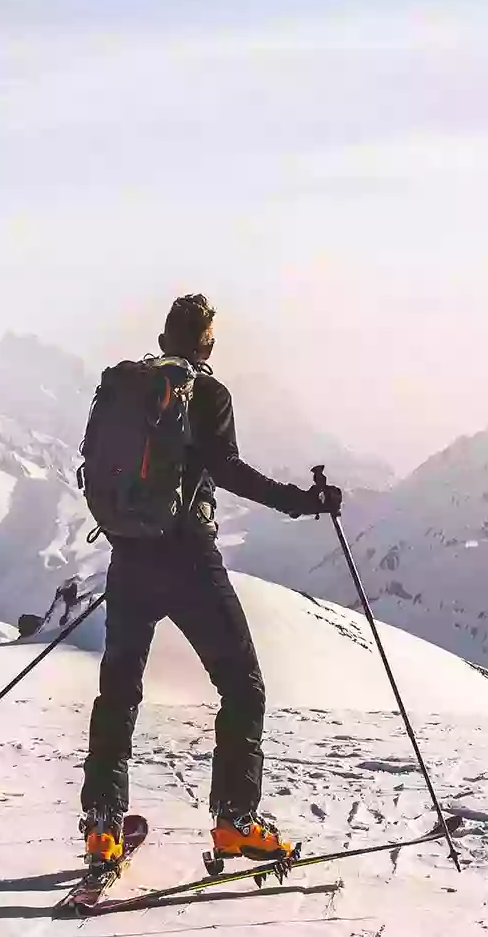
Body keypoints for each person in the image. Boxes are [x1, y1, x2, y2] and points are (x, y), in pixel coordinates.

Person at [80, 293, 341, 866]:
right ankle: (235, 822)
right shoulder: (208, 394)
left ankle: (102, 827)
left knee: (118, 693)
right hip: (188, 561)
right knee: (242, 686)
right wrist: (303, 502)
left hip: (129, 557)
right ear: (207, 342)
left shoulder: (132, 387)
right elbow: (229, 470)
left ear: (164, 335)